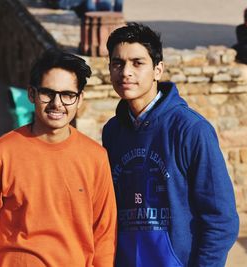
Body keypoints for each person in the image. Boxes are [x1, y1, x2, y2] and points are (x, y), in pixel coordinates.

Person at [0, 48, 117, 266]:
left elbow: (104, 236)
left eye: (68, 95)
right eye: (48, 93)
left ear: (80, 99)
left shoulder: (96, 158)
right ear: (32, 94)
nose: (57, 103)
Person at [102, 23, 239, 267]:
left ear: (158, 70)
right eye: (117, 63)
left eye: (137, 63)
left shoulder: (191, 130)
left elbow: (221, 218)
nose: (126, 72)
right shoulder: (113, 132)